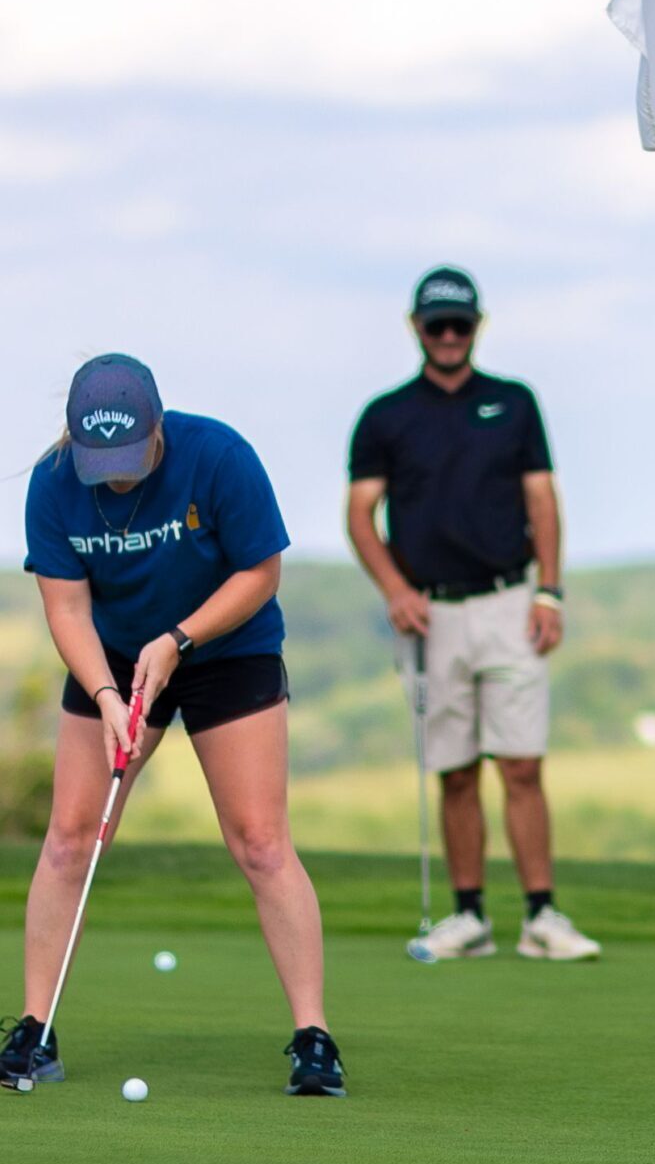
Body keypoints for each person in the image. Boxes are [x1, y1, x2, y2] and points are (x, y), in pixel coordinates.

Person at [1, 353, 346, 1097]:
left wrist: (179, 639)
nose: (116, 477)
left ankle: (314, 1037)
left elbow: (261, 573)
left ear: (158, 427)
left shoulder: (219, 457)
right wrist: (102, 693)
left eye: (129, 458)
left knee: (259, 840)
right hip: (114, 657)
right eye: (101, 462)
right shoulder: (54, 485)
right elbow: (65, 608)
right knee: (69, 837)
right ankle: (35, 1028)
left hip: (228, 647)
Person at [346, 265, 600, 962]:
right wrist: (395, 589)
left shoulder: (514, 403)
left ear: (478, 326)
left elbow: (542, 501)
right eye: (438, 325)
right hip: (430, 612)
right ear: (417, 329)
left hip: (509, 602)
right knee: (455, 769)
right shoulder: (386, 416)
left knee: (521, 764)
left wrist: (550, 590)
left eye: (461, 324)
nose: (450, 336)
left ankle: (543, 915)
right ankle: (469, 917)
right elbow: (360, 515)